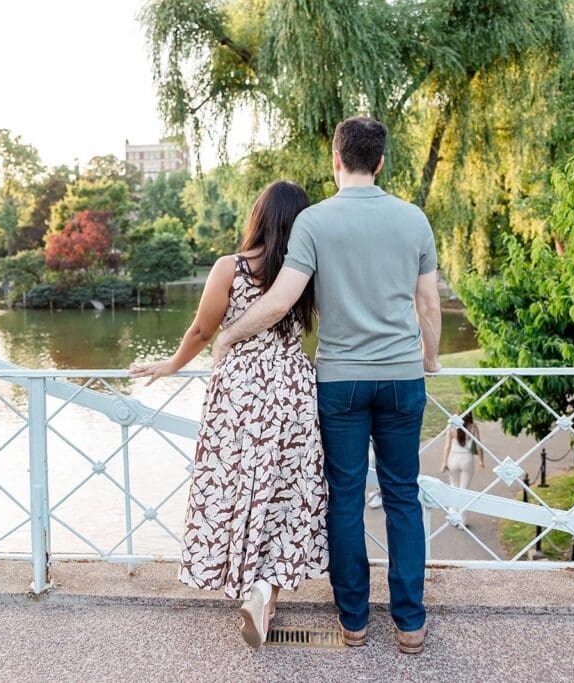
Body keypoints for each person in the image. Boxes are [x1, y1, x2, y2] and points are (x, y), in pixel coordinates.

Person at [211, 116, 442, 655]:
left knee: (345, 498)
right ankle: (409, 624)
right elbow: (427, 304)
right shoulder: (414, 220)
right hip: (402, 378)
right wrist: (428, 358)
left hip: (340, 383)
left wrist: (226, 338)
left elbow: (279, 302)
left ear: (336, 160)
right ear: (381, 161)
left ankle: (355, 621)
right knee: (402, 495)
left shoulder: (315, 222)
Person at [129, 181, 329, 650]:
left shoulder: (230, 268)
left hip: (240, 390)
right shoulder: (307, 271)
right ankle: (264, 592)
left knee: (238, 484)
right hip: (293, 389)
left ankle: (246, 582)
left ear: (258, 216)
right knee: (286, 491)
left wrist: (171, 364)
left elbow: (202, 328)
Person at [442, 413, 483, 490]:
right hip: (467, 458)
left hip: (453, 458)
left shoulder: (451, 426)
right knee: (464, 489)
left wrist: (444, 462)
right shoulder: (473, 427)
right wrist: (481, 461)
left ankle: (453, 501)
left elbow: (447, 446)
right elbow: (478, 446)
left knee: (454, 486)